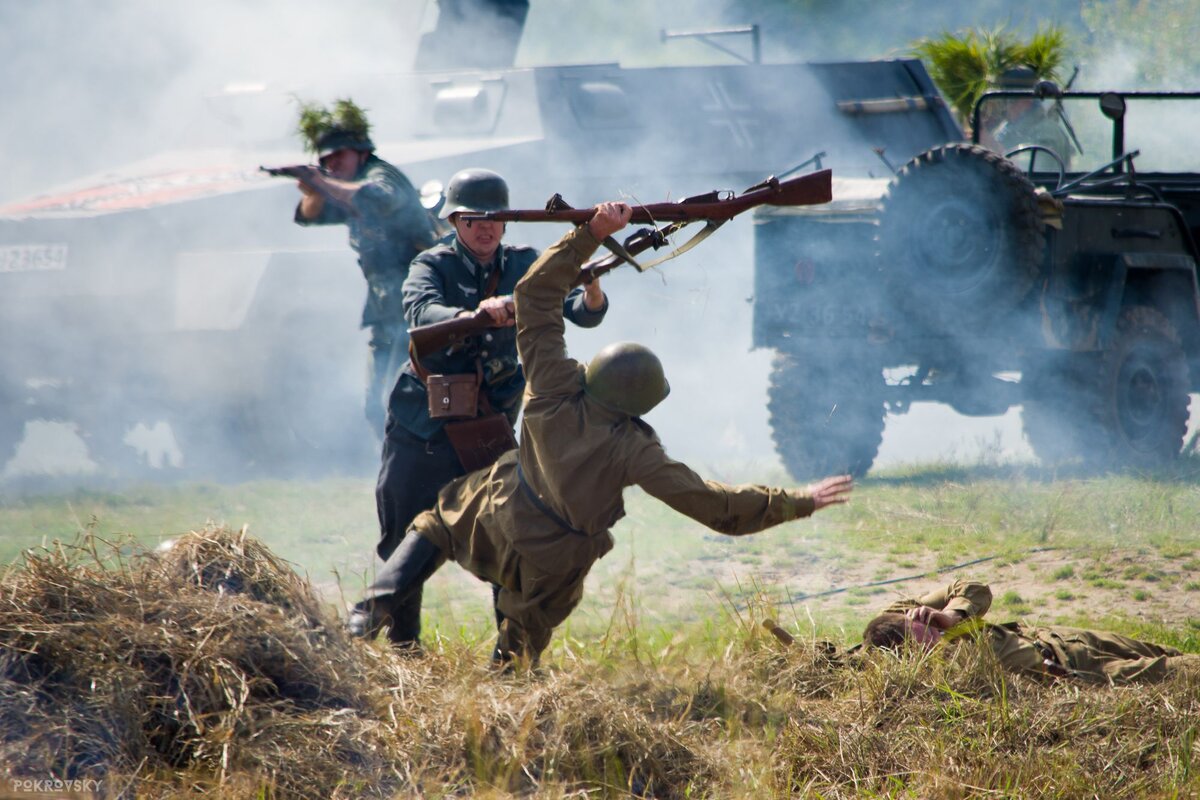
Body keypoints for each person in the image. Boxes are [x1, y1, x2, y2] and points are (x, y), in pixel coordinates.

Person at [351, 201, 854, 665]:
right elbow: (714, 505)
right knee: (518, 653)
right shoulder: (635, 450)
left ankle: (368, 613)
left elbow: (536, 295)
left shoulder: (553, 385)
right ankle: (499, 701)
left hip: (495, 512)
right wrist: (799, 502)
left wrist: (590, 233)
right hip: (554, 558)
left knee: (435, 523)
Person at [362, 168, 609, 648]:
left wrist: (593, 292)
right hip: (422, 429)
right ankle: (403, 653)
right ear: (454, 221)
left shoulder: (525, 263)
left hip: (489, 427)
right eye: (472, 219)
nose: (484, 228)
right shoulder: (430, 265)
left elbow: (576, 306)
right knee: (400, 542)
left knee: (512, 538)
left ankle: (513, 659)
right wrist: (474, 315)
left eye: (493, 219)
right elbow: (420, 312)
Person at [292, 98, 438, 438]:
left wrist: (323, 181)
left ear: (360, 152)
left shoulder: (380, 176)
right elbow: (311, 217)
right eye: (325, 160)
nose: (332, 164)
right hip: (383, 309)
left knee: (404, 399)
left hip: (415, 305)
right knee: (376, 405)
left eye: (338, 156)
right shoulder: (344, 191)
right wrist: (312, 187)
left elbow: (376, 195)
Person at [861, 579, 1200, 685]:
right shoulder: (921, 678)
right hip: (1075, 671)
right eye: (927, 647)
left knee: (1168, 652)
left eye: (927, 632)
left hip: (1059, 638)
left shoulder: (909, 613)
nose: (936, 641)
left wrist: (948, 616)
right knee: (1177, 672)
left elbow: (976, 588)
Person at [979, 66, 1074, 166]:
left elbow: (1031, 168)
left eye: (1008, 99)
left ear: (1025, 100)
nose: (1005, 105)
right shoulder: (1008, 128)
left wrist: (990, 143)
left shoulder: (1047, 131)